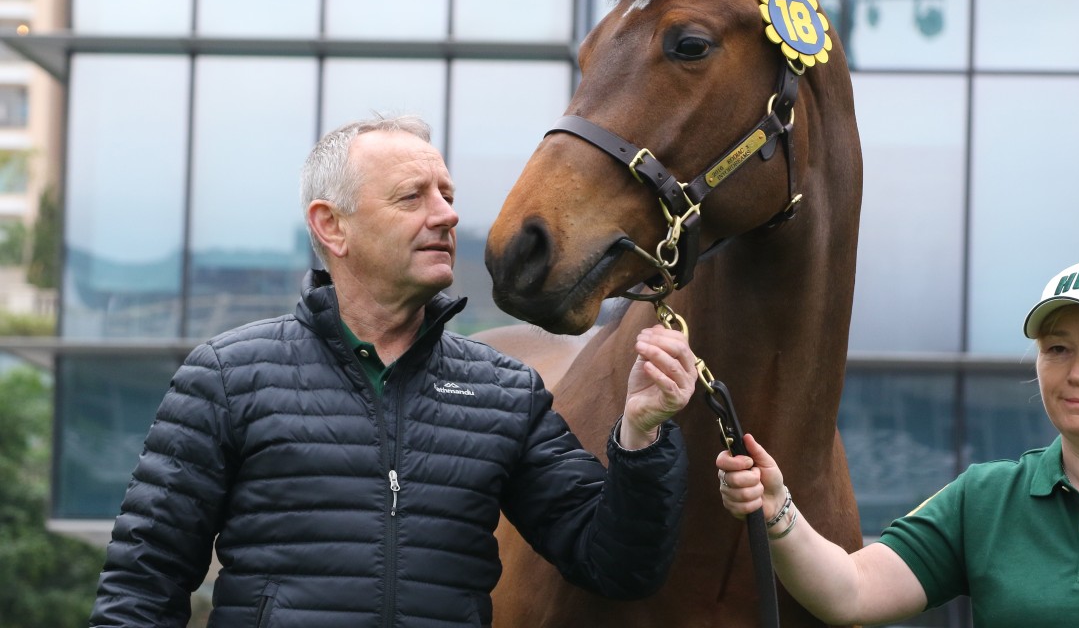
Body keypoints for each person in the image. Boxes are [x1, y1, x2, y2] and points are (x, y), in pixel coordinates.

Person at [90, 115, 700, 627]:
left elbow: (616, 566)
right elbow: (142, 585)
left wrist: (641, 436)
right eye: (413, 197)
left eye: (448, 197)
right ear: (332, 226)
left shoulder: (504, 391)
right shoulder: (228, 377)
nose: (447, 216)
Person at [717, 258, 1079, 626]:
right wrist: (777, 509)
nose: (1078, 373)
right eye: (1057, 349)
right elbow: (852, 592)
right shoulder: (986, 499)